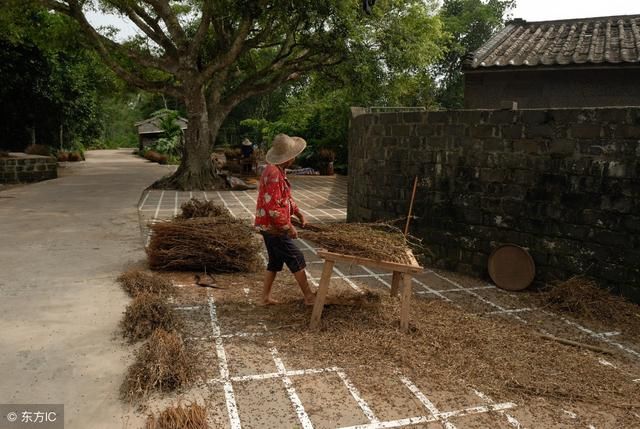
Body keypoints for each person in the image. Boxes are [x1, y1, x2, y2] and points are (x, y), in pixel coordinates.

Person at [254, 134, 315, 306]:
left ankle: (264, 298)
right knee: (296, 257)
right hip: (274, 228)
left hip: (270, 226)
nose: (295, 158)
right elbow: (273, 208)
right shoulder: (273, 173)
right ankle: (309, 296)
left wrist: (298, 213)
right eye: (293, 155)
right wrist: (288, 227)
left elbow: (285, 198)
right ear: (287, 158)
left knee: (274, 261)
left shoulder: (279, 171)